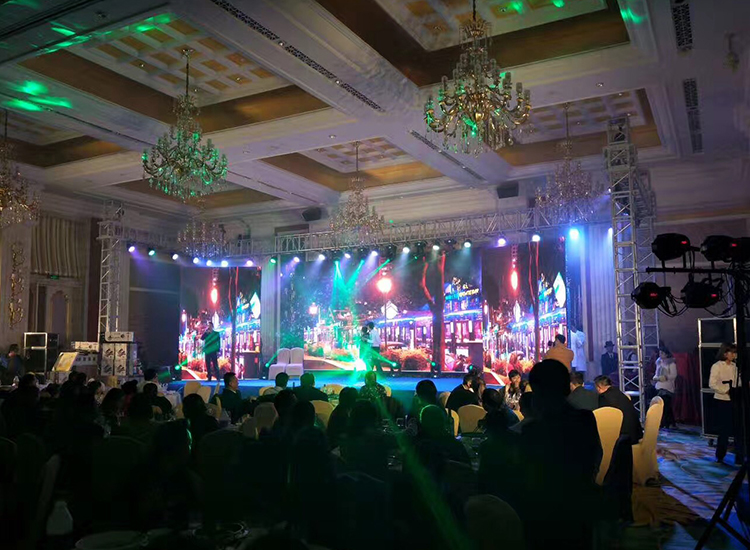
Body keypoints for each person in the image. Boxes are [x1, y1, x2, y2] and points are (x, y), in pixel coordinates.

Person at [519, 359, 602, 550]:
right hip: (582, 512)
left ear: (538, 393)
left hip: (544, 520)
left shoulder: (533, 431)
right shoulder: (586, 420)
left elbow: (529, 479)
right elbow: (595, 459)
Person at [709, 343, 741, 464]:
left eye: (734, 352)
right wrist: (725, 390)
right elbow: (712, 383)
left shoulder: (735, 366)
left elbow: (738, 382)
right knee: (723, 430)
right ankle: (720, 456)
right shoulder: (717, 366)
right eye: (732, 352)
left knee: (736, 427)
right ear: (725, 353)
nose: (734, 355)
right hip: (721, 400)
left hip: (734, 400)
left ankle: (739, 455)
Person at [594, 375, 643, 443]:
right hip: (634, 435)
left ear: (599, 387)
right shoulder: (620, 393)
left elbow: (603, 419)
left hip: (621, 439)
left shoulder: (604, 397)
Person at [653, 347, 678, 429]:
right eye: (660, 353)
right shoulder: (659, 362)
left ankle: (668, 423)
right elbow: (656, 373)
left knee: (666, 406)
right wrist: (656, 377)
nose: (660, 355)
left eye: (662, 353)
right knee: (662, 405)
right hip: (659, 386)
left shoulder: (671, 364)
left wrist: (665, 377)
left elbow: (674, 375)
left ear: (666, 354)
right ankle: (666, 422)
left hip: (667, 387)